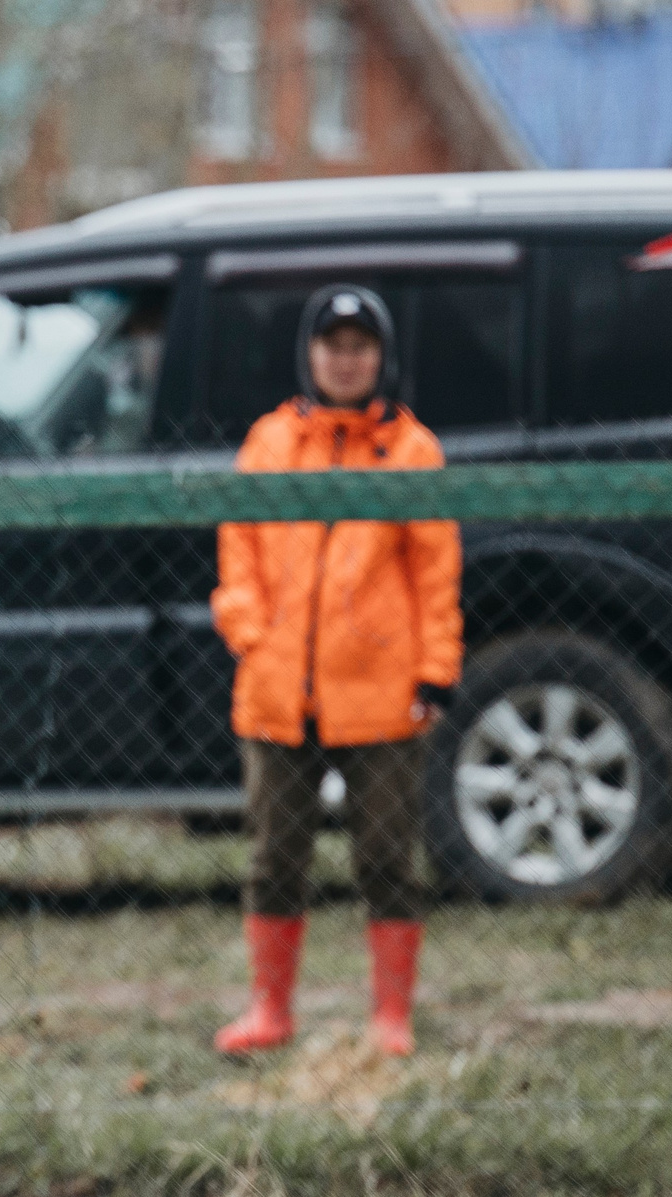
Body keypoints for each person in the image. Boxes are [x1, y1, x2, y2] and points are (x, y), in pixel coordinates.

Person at [211, 284, 462, 1058]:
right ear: (311, 353)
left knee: (387, 856)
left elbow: (435, 572)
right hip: (277, 687)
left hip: (382, 693)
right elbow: (239, 553)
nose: (346, 359)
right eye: (333, 344)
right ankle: (270, 1008)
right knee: (274, 855)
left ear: (380, 358)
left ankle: (391, 1014)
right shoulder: (269, 442)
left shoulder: (414, 450)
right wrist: (251, 635)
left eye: (360, 346)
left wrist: (434, 669)